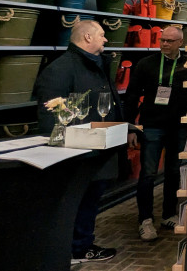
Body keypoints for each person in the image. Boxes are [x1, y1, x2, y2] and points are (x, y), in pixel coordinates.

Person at [34, 20, 122, 264]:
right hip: (79, 156)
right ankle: (75, 250)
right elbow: (52, 121)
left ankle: (81, 246)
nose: (106, 39)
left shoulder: (95, 65)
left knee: (89, 202)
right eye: (102, 35)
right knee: (76, 203)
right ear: (87, 38)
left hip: (97, 151)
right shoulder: (60, 69)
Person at [123, 25, 187, 241]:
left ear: (180, 43)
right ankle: (145, 219)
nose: (164, 44)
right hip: (152, 126)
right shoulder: (146, 64)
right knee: (148, 173)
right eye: (162, 40)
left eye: (170, 41)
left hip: (179, 127)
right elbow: (133, 95)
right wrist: (130, 127)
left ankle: (169, 214)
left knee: (174, 171)